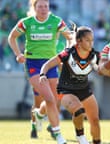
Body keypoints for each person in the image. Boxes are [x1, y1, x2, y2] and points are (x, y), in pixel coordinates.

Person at [8, 0, 72, 143]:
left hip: (50, 64)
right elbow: (12, 37)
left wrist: (66, 52)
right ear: (34, 7)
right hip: (33, 64)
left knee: (54, 100)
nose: (43, 9)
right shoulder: (27, 22)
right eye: (40, 6)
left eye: (46, 6)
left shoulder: (56, 21)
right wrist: (18, 54)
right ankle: (53, 132)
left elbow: (70, 36)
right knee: (43, 99)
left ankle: (39, 116)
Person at [40, 24, 101, 144]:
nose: (91, 43)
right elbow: (47, 64)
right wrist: (42, 74)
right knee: (79, 111)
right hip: (66, 90)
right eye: (87, 40)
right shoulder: (68, 53)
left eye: (92, 40)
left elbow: (104, 68)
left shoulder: (94, 55)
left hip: (84, 90)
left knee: (94, 121)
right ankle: (81, 137)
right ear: (79, 41)